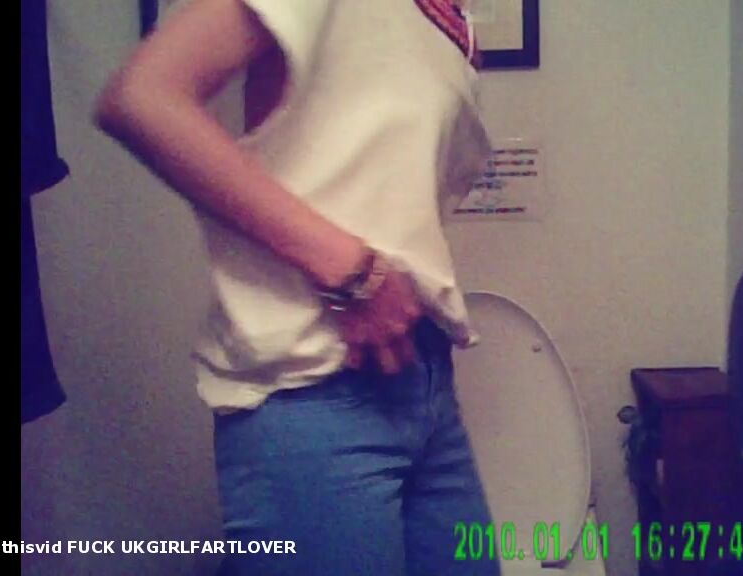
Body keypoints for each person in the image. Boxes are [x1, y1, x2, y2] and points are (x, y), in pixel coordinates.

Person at [94, 1, 499, 574]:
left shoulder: (446, 19)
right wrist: (353, 273)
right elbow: (142, 97)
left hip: (424, 378)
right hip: (314, 389)